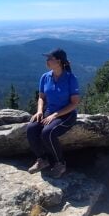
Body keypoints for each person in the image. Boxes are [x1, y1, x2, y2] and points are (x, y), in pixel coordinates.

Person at [26, 48, 80, 178]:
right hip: (49, 111)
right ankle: (42, 160)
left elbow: (74, 103)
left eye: (50, 58)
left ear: (59, 61)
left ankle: (60, 163)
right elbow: (41, 97)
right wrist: (39, 111)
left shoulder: (70, 79)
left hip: (67, 114)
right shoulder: (45, 77)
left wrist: (55, 115)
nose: (47, 61)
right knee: (31, 128)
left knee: (47, 132)